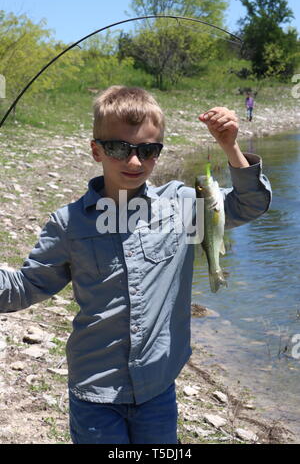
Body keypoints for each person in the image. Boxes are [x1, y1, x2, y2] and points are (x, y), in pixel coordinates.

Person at [0, 86, 271, 444]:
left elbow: (248, 205)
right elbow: (25, 286)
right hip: (95, 393)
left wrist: (229, 147)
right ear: (96, 150)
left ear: (158, 152)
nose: (134, 162)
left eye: (148, 150)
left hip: (157, 388)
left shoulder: (181, 207)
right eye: (118, 149)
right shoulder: (68, 224)